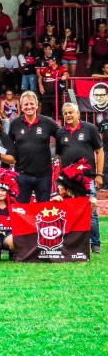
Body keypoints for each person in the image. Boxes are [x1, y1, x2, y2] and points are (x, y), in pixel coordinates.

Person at [55, 102, 103, 254]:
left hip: (87, 178)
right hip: (69, 180)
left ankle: (95, 243)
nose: (68, 115)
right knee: (70, 211)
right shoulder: (60, 133)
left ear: (78, 114)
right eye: (65, 113)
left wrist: (99, 175)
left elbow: (99, 151)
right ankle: (74, 243)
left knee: (90, 211)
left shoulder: (90, 129)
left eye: (71, 112)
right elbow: (60, 157)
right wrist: (62, 179)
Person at [9, 91, 59, 203]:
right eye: (26, 104)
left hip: (44, 175)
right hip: (22, 175)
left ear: (37, 105)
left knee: (43, 208)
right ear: (21, 107)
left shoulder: (48, 122)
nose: (29, 107)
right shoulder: (15, 124)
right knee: (22, 209)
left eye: (32, 104)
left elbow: (62, 137)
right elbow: (9, 144)